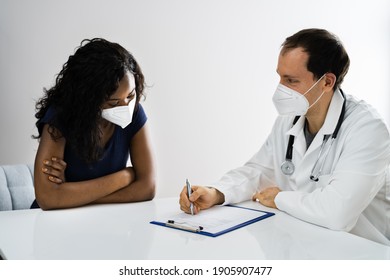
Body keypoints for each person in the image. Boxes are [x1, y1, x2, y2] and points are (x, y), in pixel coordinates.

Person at [179, 28, 390, 245]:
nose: (281, 90)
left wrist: (279, 198)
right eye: (280, 77)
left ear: (327, 82)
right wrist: (217, 192)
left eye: (291, 80)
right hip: (306, 243)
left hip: (362, 251)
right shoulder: (290, 118)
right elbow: (261, 171)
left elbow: (338, 213)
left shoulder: (367, 129)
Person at [32, 38, 156, 210]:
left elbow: (147, 188)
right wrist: (123, 178)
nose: (126, 107)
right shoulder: (61, 116)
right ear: (89, 100)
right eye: (113, 103)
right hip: (54, 222)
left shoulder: (135, 114)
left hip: (103, 220)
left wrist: (72, 196)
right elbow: (48, 198)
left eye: (130, 95)